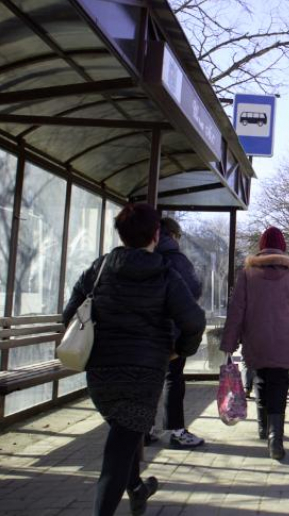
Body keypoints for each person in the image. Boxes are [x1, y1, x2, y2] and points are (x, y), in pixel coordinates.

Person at [62, 203, 205, 516]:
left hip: (100, 374)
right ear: (156, 235)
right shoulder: (165, 274)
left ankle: (138, 489)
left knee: (123, 434)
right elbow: (194, 321)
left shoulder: (100, 268)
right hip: (144, 375)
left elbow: (70, 314)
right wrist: (180, 350)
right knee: (118, 450)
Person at [220, 227, 289, 460]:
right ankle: (276, 440)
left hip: (255, 339)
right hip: (284, 339)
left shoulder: (248, 273)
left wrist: (229, 342)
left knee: (261, 380)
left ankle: (263, 429)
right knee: (280, 384)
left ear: (261, 247)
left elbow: (237, 310)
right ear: (282, 247)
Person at [157, 217, 205, 450]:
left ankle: (143, 430)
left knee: (148, 380)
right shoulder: (177, 259)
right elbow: (193, 289)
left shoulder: (142, 254)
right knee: (173, 378)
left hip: (141, 335)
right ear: (173, 235)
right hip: (171, 331)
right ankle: (176, 431)